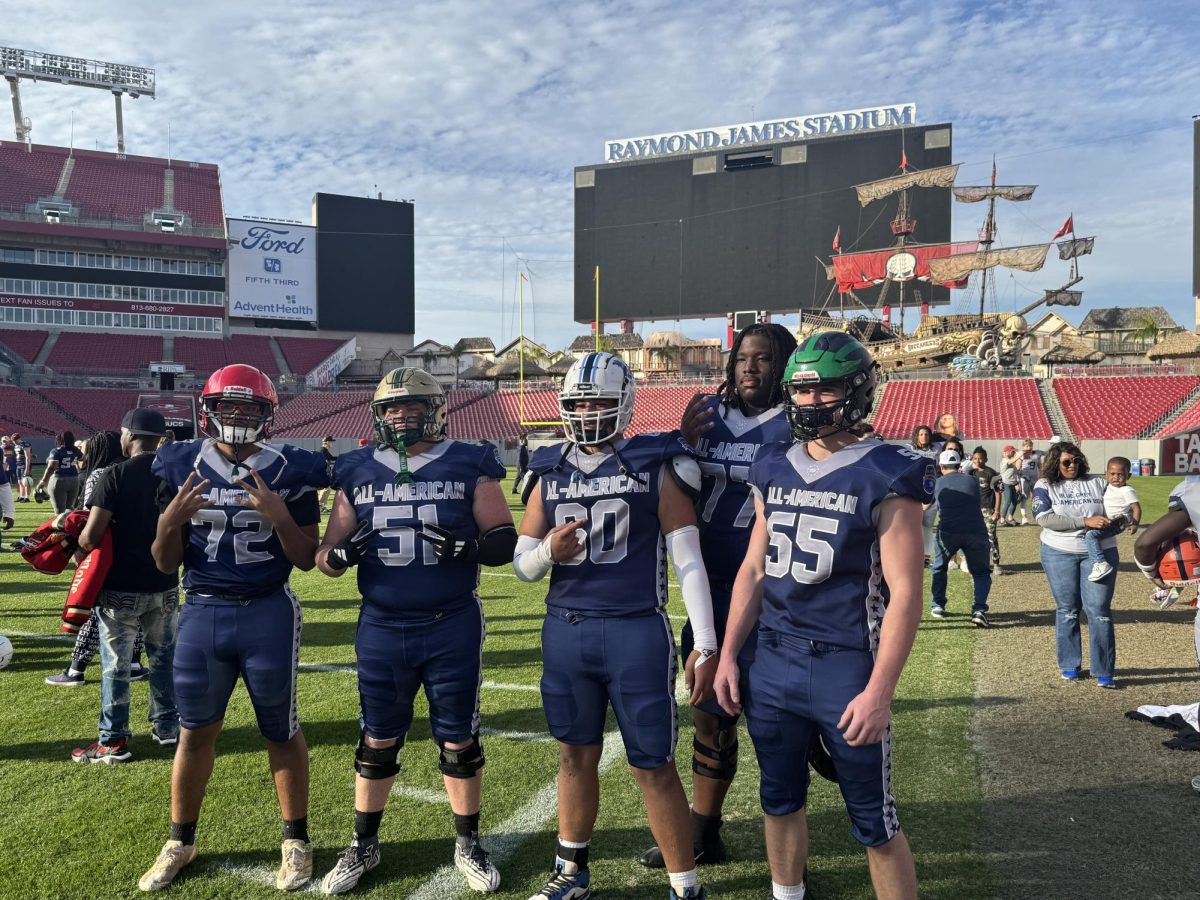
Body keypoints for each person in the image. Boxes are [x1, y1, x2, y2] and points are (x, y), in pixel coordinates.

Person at [713, 332, 929, 900]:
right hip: (775, 657)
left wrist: (880, 690)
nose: (810, 403)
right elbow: (754, 570)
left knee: (874, 822)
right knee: (778, 798)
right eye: (801, 390)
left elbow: (907, 591)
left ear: (858, 390)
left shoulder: (886, 470)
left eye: (824, 388)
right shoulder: (773, 462)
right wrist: (730, 654)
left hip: (845, 664)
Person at [513, 351, 716, 900]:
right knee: (573, 756)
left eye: (599, 400)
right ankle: (572, 873)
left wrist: (707, 642)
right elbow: (522, 565)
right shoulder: (549, 466)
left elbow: (688, 559)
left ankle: (684, 885)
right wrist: (548, 552)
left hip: (633, 631)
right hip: (566, 630)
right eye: (579, 402)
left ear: (624, 403)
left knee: (653, 763)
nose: (588, 411)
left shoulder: (655, 460)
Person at [316, 368, 516, 895]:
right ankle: (363, 844)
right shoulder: (356, 468)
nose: (400, 416)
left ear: (436, 408)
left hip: (450, 621)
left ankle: (467, 842)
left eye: (411, 406)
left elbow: (503, 540)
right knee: (378, 737)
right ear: (378, 417)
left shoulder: (470, 460)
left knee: (458, 738)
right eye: (391, 409)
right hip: (382, 624)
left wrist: (466, 548)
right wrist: (338, 554)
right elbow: (324, 559)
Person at [140, 364, 329, 892]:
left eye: (250, 408)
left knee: (280, 729)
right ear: (210, 412)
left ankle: (295, 840)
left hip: (267, 608)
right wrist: (167, 523)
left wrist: (280, 516)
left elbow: (306, 558)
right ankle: (180, 839)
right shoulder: (181, 464)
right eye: (229, 407)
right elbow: (162, 563)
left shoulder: (290, 469)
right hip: (201, 610)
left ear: (267, 415)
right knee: (195, 730)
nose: (239, 416)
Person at [638, 322, 796, 871]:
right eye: (743, 358)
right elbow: (673, 478)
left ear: (785, 367)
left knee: (777, 725)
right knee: (710, 715)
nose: (751, 367)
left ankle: (788, 848)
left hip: (772, 595)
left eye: (765, 359)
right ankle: (704, 832)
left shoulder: (798, 423)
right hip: (710, 590)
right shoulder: (705, 413)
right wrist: (683, 438)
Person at [69, 410, 180, 764]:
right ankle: (167, 726)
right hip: (164, 583)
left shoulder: (114, 475)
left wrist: (78, 547)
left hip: (120, 585)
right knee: (163, 660)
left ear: (129, 434)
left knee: (115, 666)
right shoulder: (173, 475)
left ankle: (112, 740)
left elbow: (93, 533)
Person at [45, 431, 150, 687]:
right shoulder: (135, 470)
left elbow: (92, 517)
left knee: (98, 609)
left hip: (108, 550)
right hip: (140, 550)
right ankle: (134, 662)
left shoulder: (100, 475)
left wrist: (81, 546)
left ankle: (76, 668)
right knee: (135, 609)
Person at [1032, 442, 1118, 687]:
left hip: (1100, 553)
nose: (1072, 465)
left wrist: (1123, 519)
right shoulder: (1045, 485)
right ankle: (1070, 664)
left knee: (1099, 611)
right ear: (1054, 464)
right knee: (1067, 609)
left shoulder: (1099, 483)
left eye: (1076, 460)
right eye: (1066, 462)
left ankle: (1104, 670)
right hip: (1059, 553)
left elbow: (1121, 508)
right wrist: (1085, 521)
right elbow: (1045, 518)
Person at [928, 449, 993, 626]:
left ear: (941, 466)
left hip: (948, 530)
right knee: (981, 572)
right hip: (975, 530)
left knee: (939, 568)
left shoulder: (938, 482)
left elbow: (926, 506)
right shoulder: (972, 480)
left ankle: (937, 605)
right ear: (959, 466)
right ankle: (979, 610)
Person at [1082, 457, 1141, 582]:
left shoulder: (1127, 490)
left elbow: (1136, 508)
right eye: (1112, 474)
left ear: (1128, 475)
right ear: (1106, 474)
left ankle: (1100, 563)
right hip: (1109, 521)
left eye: (1120, 474)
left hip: (1118, 522)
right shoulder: (1107, 486)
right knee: (1088, 532)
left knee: (1091, 536)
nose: (1116, 477)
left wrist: (1135, 524)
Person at [970, 447, 1004, 576]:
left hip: (988, 509)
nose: (978, 460)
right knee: (976, 538)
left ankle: (996, 564)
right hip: (974, 510)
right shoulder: (971, 473)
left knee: (991, 537)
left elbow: (998, 493)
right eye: (975, 458)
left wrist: (997, 511)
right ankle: (981, 563)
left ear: (986, 459)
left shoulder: (992, 473)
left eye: (980, 458)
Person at [910, 426, 938, 566]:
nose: (924, 437)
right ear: (916, 435)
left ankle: (926, 557)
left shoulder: (936, 450)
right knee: (913, 525)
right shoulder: (910, 449)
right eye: (921, 434)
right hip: (914, 491)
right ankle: (913, 555)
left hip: (931, 492)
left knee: (927, 525)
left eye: (926, 434)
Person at [37, 430, 82, 513]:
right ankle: (70, 525)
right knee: (70, 510)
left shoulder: (56, 451)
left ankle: (61, 525)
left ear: (61, 440)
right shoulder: (76, 450)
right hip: (74, 480)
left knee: (59, 512)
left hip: (59, 480)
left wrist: (42, 482)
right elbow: (83, 458)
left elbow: (51, 467)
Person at [1017, 439, 1044, 525]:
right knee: (1024, 497)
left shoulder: (1036, 454)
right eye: (1027, 446)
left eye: (1030, 445)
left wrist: (1041, 476)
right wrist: (1018, 480)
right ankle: (1024, 517)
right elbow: (1017, 468)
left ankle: (1038, 516)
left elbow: (1039, 466)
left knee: (1037, 497)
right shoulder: (1021, 454)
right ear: (1024, 446)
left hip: (1034, 477)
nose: (1029, 447)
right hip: (1024, 477)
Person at [998, 445, 1023, 526]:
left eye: (1013, 451)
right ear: (1006, 452)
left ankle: (1010, 518)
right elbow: (1014, 459)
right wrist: (1021, 453)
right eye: (1012, 451)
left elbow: (1013, 474)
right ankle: (1002, 519)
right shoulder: (1004, 460)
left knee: (1014, 502)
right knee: (1007, 502)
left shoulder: (1010, 461)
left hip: (1012, 484)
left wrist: (1016, 484)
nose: (1013, 453)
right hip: (1006, 484)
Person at [318, 436, 337, 512]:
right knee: (326, 489)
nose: (332, 444)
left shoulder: (325, 450)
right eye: (331, 442)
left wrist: (343, 457)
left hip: (325, 472)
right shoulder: (323, 450)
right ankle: (319, 506)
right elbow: (324, 462)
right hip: (323, 472)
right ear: (327, 442)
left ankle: (321, 506)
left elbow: (332, 458)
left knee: (327, 489)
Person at [12, 432, 32, 502]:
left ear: (19, 439)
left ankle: (27, 497)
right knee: (20, 481)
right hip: (18, 464)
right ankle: (22, 496)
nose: (14, 443)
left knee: (26, 481)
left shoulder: (25, 444)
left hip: (24, 464)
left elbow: (27, 457)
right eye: (13, 441)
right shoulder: (16, 446)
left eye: (15, 441)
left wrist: (27, 468)